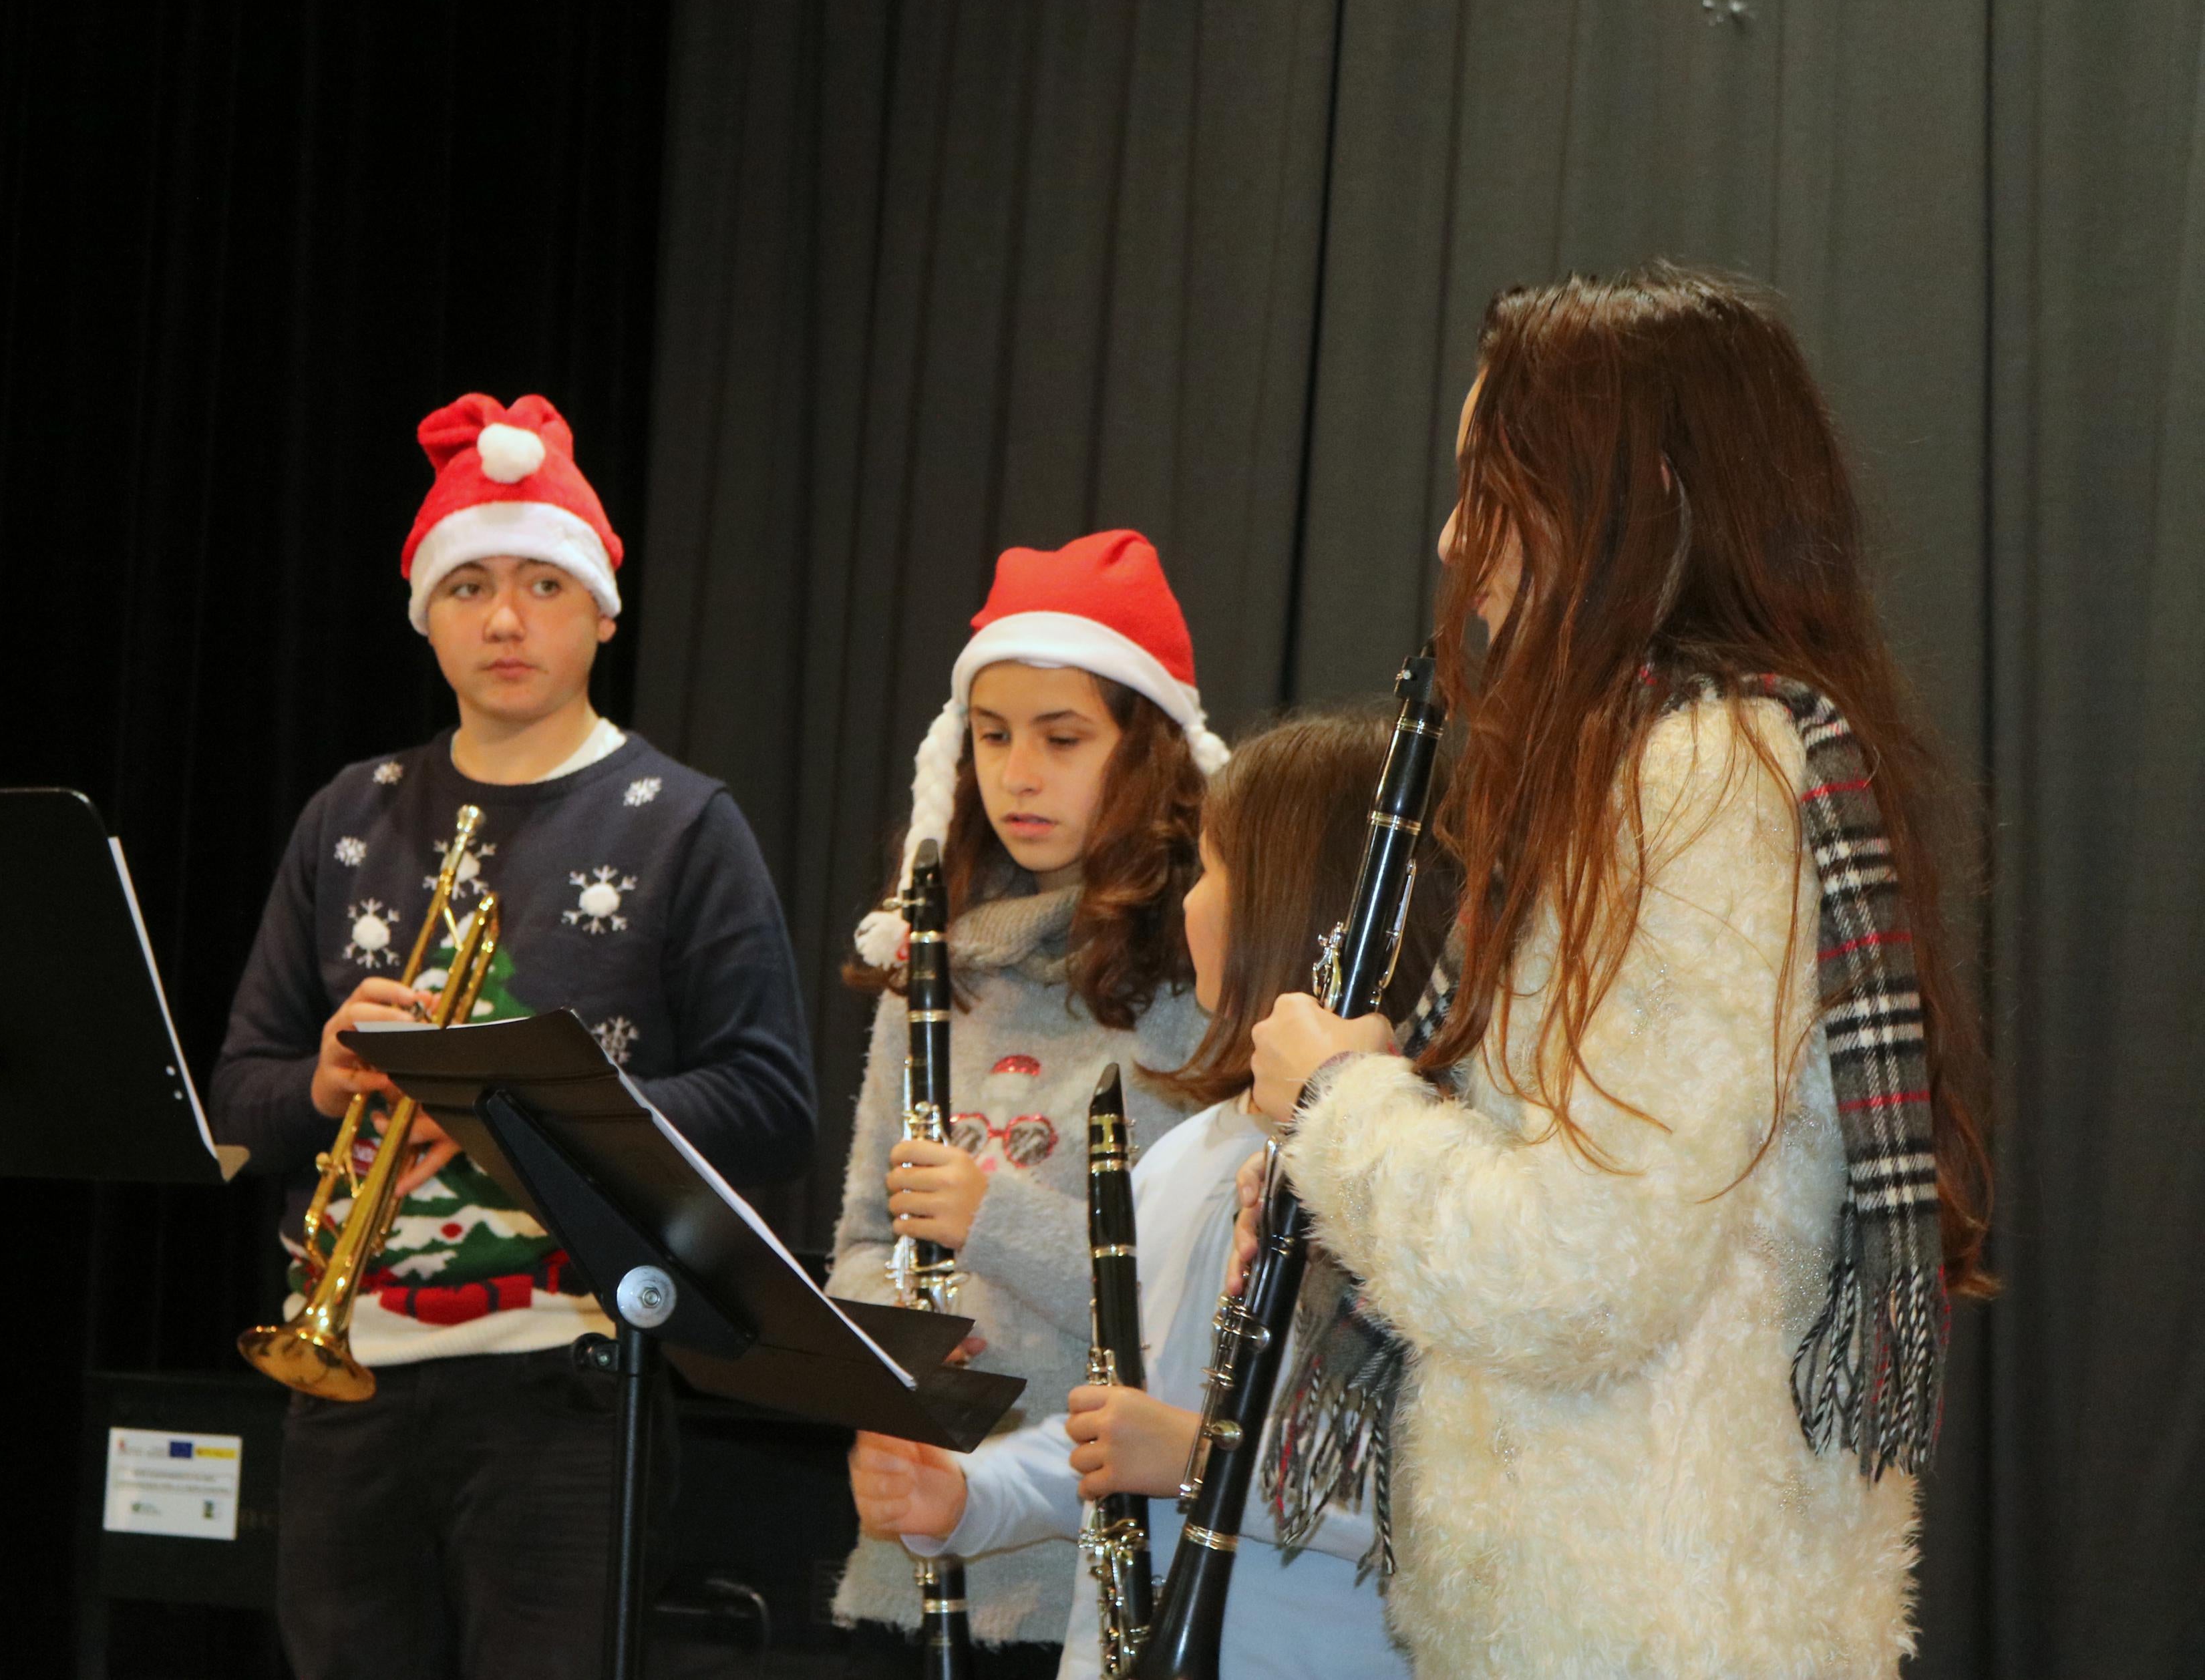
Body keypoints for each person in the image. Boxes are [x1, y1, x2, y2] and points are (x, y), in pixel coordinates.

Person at [1249, 265, 1993, 1679]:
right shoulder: (1657, 781)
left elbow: (1579, 1272)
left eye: (1493, 486)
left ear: (1635, 493)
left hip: (1643, 1634)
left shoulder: (1701, 787)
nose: (1456, 538)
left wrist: (1337, 1110)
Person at [208, 392, 817, 1680]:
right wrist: (322, 1079)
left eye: (544, 582)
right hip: (354, 1377)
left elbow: (771, 1106)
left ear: (603, 609)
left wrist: (522, 1111)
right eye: (469, 583)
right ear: (421, 609)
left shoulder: (680, 822)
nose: (503, 618)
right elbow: (238, 1098)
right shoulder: (348, 814)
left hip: (568, 1384)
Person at [846, 709, 1452, 1680]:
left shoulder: (1415, 1175)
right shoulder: (1189, 1157)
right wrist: (962, 1497)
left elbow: (1427, 1505)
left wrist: (1196, 1458)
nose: (1189, 906)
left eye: (1214, 872)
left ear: (1297, 905)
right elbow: (1119, 1433)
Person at [828, 528, 1224, 1675]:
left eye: (1063, 739)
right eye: (992, 738)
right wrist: (894, 1347)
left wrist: (989, 1213)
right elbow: (863, 1236)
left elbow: (1191, 1300)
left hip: (1097, 1571)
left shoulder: (1195, 986)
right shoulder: (932, 964)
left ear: (1146, 753)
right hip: (918, 1544)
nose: (1019, 774)